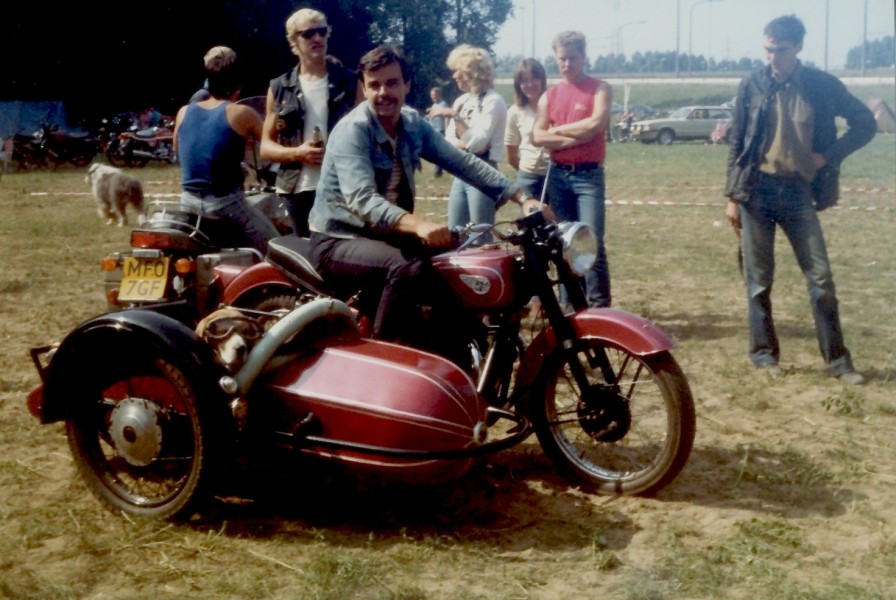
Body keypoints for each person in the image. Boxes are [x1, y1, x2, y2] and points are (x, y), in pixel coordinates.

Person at [307, 45, 544, 365]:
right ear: (363, 87)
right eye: (374, 84)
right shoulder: (354, 129)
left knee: (461, 259)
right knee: (406, 267)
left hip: (383, 236)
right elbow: (363, 199)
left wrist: (522, 197)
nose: (383, 92)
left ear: (407, 85)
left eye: (392, 83)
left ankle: (457, 350)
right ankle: (381, 359)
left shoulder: (411, 123)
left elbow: (462, 162)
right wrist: (419, 225)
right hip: (338, 238)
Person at [724, 15, 875, 385]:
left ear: (799, 47)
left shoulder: (823, 85)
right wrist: (731, 197)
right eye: (768, 50)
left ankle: (839, 363)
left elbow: (865, 123)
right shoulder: (752, 83)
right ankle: (764, 356)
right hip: (755, 191)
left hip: (798, 193)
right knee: (758, 281)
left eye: (781, 50)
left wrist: (828, 156)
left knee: (821, 278)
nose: (773, 57)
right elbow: (737, 142)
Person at [259, 7, 362, 236]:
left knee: (344, 249)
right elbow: (265, 147)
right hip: (297, 188)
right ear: (293, 40)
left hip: (343, 186)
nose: (317, 38)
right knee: (303, 253)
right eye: (308, 34)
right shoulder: (279, 87)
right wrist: (298, 153)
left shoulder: (350, 82)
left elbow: (367, 135)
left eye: (322, 31)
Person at [533, 31, 613, 308]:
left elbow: (596, 124)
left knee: (591, 240)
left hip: (588, 176)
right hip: (558, 175)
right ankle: (571, 307)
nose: (567, 64)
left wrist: (556, 131)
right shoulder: (550, 95)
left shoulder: (599, 88)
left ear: (583, 57)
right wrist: (575, 137)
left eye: (572, 58)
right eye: (562, 59)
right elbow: (537, 135)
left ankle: (600, 307)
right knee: (565, 242)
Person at [173, 46, 279, 253]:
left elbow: (178, 150)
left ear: (208, 80)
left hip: (188, 202)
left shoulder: (183, 112)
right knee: (279, 250)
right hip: (227, 203)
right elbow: (271, 146)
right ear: (238, 84)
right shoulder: (242, 113)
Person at [429, 45, 508, 234]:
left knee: (480, 236)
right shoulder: (461, 101)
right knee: (455, 233)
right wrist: (467, 143)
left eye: (458, 70)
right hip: (461, 171)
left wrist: (455, 117)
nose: (454, 76)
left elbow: (478, 145)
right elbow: (449, 140)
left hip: (483, 171)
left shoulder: (493, 100)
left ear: (472, 72)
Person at [504, 58, 550, 200]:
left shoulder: (555, 105)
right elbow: (511, 155)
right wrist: (528, 171)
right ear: (518, 85)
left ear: (542, 80)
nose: (530, 84)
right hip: (528, 178)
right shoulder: (514, 112)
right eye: (524, 80)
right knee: (532, 215)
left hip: (555, 175)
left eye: (534, 79)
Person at [426, 86, 449, 177]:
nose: (433, 96)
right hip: (434, 131)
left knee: (439, 152)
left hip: (441, 130)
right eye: (432, 95)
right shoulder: (434, 105)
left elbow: (447, 118)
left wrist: (446, 131)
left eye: (435, 94)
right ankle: (441, 170)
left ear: (440, 94)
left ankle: (438, 173)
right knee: (437, 152)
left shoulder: (443, 104)